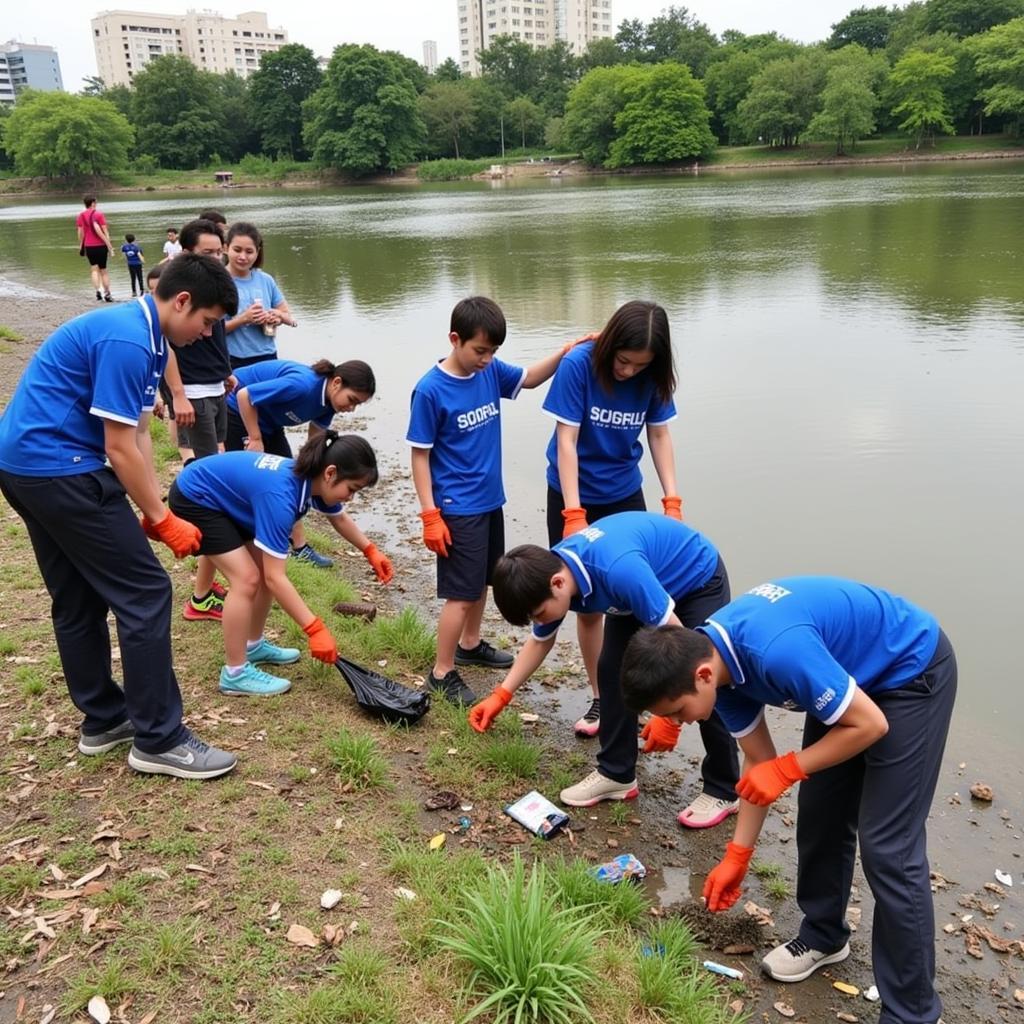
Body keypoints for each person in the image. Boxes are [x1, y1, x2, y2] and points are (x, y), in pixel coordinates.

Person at [618, 577, 957, 1024]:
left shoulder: (775, 651)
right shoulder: (719, 669)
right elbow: (759, 763)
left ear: (701, 676)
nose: (681, 723)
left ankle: (912, 1013)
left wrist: (790, 768)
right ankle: (824, 935)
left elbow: (870, 726)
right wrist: (737, 855)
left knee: (889, 848)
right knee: (820, 814)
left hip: (910, 672)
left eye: (678, 713)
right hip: (846, 674)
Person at [0, 253, 240, 780]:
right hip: (62, 469)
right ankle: (159, 738)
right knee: (146, 593)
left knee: (77, 594)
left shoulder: (148, 334)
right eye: (205, 322)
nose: (206, 334)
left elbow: (133, 433)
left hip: (25, 465)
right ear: (182, 301)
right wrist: (160, 516)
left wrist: (152, 509)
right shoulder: (130, 340)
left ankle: (104, 720)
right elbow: (118, 447)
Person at [474, 512, 739, 827]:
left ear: (557, 583)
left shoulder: (617, 569)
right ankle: (617, 772)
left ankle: (723, 788)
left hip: (694, 581)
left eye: (540, 614)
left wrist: (670, 721)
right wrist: (501, 695)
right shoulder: (553, 575)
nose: (540, 621)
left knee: (708, 675)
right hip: (635, 593)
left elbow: (681, 647)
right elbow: (539, 642)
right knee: (611, 667)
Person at [406, 296, 573, 707]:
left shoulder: (490, 372)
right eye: (480, 350)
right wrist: (430, 515)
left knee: (485, 579)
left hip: (488, 500)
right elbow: (419, 455)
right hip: (456, 507)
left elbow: (530, 379)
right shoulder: (430, 390)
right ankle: (442, 671)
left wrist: (568, 351)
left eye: (493, 352)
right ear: (455, 339)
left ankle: (470, 643)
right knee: (460, 593)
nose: (486, 359)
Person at [542, 301, 682, 739]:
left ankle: (641, 696)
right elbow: (567, 440)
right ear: (610, 347)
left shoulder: (652, 377)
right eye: (623, 361)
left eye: (639, 366)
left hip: (625, 495)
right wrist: (573, 513)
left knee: (637, 604)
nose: (627, 372)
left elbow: (658, 434)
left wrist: (672, 500)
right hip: (572, 493)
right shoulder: (579, 364)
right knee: (589, 606)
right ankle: (603, 696)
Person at [168, 433, 392, 696]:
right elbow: (278, 578)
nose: (351, 498)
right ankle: (235, 673)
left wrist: (370, 549)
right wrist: (315, 629)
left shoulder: (310, 480)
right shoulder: (282, 497)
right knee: (248, 578)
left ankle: (253, 645)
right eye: (352, 489)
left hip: (225, 499)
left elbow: (339, 518)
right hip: (196, 498)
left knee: (261, 573)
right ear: (330, 473)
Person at [225, 357, 377, 568]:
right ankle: (238, 540)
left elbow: (316, 442)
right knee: (250, 479)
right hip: (238, 411)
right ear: (336, 383)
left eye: (357, 405)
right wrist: (256, 438)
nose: (351, 408)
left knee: (296, 478)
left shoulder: (329, 405)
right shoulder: (302, 386)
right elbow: (245, 395)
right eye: (351, 400)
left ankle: (300, 548)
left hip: (270, 421)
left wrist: (320, 473)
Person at [161, 220, 237, 623]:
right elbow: (165, 353)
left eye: (219, 250)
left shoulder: (211, 298)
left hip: (214, 386)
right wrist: (176, 395)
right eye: (208, 252)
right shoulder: (164, 319)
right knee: (210, 482)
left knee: (217, 465)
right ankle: (203, 592)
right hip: (193, 392)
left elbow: (215, 341)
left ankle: (206, 585)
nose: (218, 257)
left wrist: (224, 370)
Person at [223, 222, 296, 369]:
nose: (243, 257)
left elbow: (288, 316)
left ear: (257, 252)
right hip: (232, 359)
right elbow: (210, 331)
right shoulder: (218, 281)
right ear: (226, 248)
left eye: (249, 252)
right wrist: (244, 319)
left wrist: (276, 316)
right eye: (237, 250)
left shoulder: (266, 280)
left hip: (267, 356)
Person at [76, 195, 114, 302]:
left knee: (94, 269)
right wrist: (109, 245)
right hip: (101, 246)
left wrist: (81, 244)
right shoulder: (99, 214)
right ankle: (107, 293)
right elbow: (105, 231)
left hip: (89, 246)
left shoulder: (81, 216)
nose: (96, 204)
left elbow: (80, 233)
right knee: (104, 270)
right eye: (96, 202)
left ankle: (98, 291)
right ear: (92, 203)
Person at [121, 233, 145, 297]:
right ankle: (142, 290)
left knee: (133, 278)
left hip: (130, 264)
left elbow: (124, 256)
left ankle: (134, 292)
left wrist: (127, 262)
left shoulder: (124, 247)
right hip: (138, 264)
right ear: (134, 239)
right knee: (140, 277)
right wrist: (143, 261)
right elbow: (139, 255)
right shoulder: (137, 247)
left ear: (126, 240)